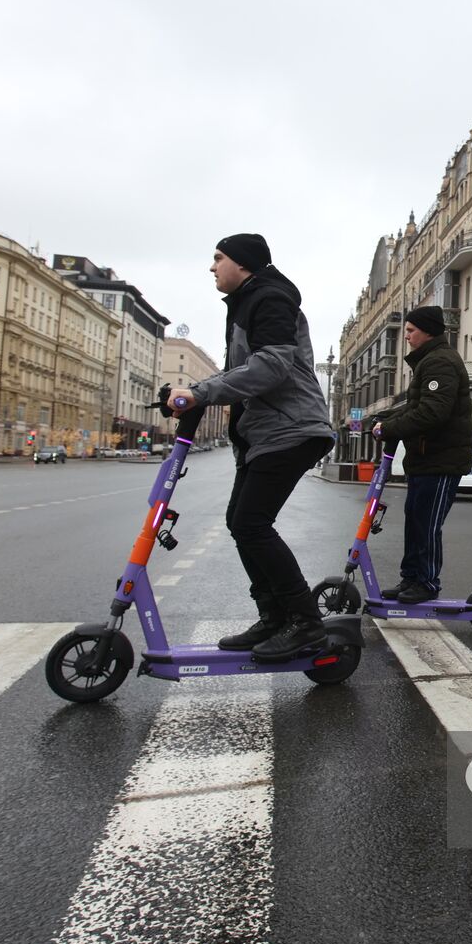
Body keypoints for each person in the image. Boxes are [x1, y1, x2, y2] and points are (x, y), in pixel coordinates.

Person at [168, 233, 334, 662]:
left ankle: (304, 621)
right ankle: (275, 615)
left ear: (241, 263)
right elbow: (243, 371)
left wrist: (202, 391)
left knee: (251, 523)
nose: (212, 266)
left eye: (218, 258)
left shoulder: (271, 298)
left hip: (292, 428)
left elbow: (272, 366)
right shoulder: (246, 303)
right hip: (266, 433)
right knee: (240, 521)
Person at [370, 305, 472, 603]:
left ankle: (426, 583)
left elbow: (432, 413)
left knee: (426, 523)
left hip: (441, 460)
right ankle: (411, 579)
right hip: (426, 459)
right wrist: (387, 420)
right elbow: (416, 407)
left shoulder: (440, 362)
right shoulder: (429, 361)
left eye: (411, 331)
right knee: (415, 519)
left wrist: (388, 430)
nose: (407, 337)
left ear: (428, 331)